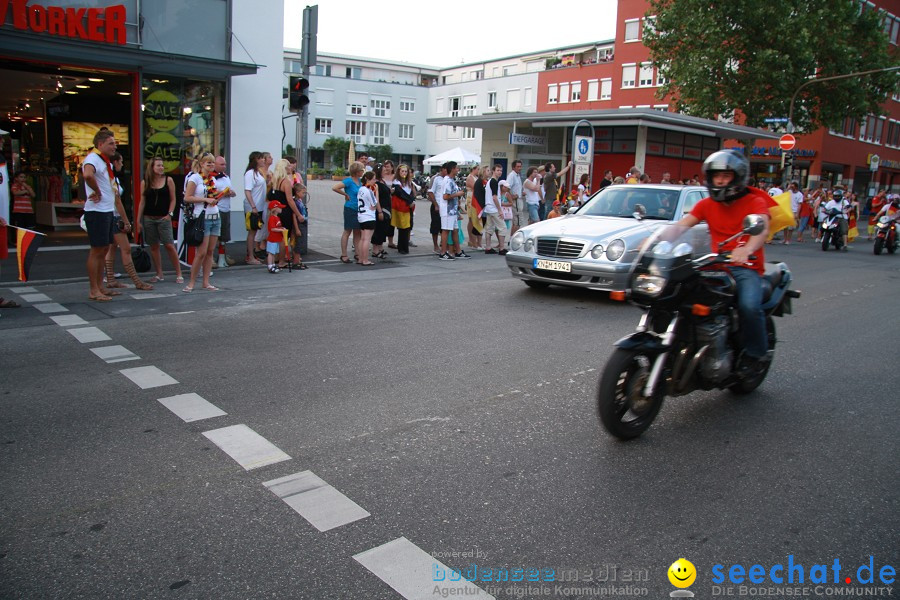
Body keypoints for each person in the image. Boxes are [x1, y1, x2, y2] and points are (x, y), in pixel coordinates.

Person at [667, 149, 771, 377]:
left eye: (725, 176)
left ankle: (756, 354)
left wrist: (747, 249)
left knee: (749, 307)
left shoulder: (755, 201)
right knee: (674, 295)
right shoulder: (706, 205)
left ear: (738, 177)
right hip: (714, 265)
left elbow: (761, 227)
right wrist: (656, 240)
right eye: (716, 176)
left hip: (745, 268)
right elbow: (682, 226)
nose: (720, 181)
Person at [81, 129, 123, 302]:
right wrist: (97, 191)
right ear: (100, 144)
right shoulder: (92, 158)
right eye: (111, 143)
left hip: (106, 210)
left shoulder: (105, 162)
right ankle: (94, 290)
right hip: (96, 211)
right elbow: (87, 174)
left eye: (114, 143)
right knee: (97, 250)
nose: (114, 146)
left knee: (104, 249)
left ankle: (100, 287)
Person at [104, 152, 153, 292]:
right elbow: (117, 202)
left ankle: (111, 279)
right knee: (125, 249)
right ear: (114, 163)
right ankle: (136, 281)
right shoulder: (111, 179)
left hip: (110, 215)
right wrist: (126, 222)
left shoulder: (111, 178)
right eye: (120, 162)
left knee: (112, 247)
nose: (122, 165)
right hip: (114, 216)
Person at [137, 157, 182, 283]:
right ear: (152, 167)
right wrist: (138, 220)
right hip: (149, 217)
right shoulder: (145, 182)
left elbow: (173, 199)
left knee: (169, 244)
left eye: (162, 165)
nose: (161, 168)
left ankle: (178, 273)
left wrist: (170, 214)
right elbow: (142, 201)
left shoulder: (169, 180)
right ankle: (159, 273)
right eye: (158, 165)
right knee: (154, 246)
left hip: (164, 217)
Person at [182, 152, 222, 292]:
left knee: (210, 252)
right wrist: (205, 200)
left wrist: (217, 197)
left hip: (215, 216)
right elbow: (187, 197)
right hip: (202, 217)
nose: (211, 165)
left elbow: (213, 196)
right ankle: (191, 283)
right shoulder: (195, 178)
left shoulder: (213, 179)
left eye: (212, 162)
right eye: (208, 162)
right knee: (201, 252)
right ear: (201, 164)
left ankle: (206, 282)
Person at [332, 161, 364, 264]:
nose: (362, 172)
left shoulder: (359, 181)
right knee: (347, 231)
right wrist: (345, 194)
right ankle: (344, 254)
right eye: (361, 170)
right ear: (356, 171)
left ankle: (358, 253)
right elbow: (335, 187)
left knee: (357, 232)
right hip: (350, 208)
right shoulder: (349, 181)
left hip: (358, 209)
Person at [268, 159, 296, 268]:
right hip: (285, 211)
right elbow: (290, 200)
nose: (291, 167)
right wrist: (297, 213)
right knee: (284, 237)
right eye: (288, 166)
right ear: (284, 168)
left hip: (275, 211)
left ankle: (274, 258)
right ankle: (281, 261)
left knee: (276, 236)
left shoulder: (274, 181)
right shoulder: (286, 182)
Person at [438, 161, 466, 260]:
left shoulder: (451, 180)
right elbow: (445, 196)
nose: (458, 170)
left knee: (455, 230)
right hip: (447, 210)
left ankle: (458, 251)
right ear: (452, 169)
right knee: (445, 230)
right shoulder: (447, 181)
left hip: (452, 210)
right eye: (457, 168)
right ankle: (443, 252)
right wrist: (457, 194)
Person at [213, 155, 237, 267]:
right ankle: (212, 257)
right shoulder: (211, 178)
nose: (224, 166)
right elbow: (211, 194)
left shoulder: (226, 177)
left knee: (224, 235)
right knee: (214, 235)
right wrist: (223, 193)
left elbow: (230, 191)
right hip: (216, 209)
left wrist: (231, 193)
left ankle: (222, 256)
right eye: (222, 164)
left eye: (225, 164)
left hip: (226, 209)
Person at [243, 151, 266, 264]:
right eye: (260, 158)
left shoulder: (258, 173)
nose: (263, 160)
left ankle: (252, 255)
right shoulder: (250, 173)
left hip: (259, 206)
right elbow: (247, 191)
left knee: (255, 230)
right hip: (253, 207)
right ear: (255, 160)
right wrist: (253, 206)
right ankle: (250, 256)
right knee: (252, 231)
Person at [391, 163, 417, 254]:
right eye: (402, 171)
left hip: (408, 207)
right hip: (400, 208)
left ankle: (404, 247)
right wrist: (410, 201)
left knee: (407, 227)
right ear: (399, 172)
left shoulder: (409, 183)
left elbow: (413, 194)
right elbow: (400, 194)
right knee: (402, 227)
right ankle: (401, 247)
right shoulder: (396, 182)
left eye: (406, 171)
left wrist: (412, 201)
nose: (404, 173)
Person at [371, 161, 395, 260]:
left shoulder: (382, 181)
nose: (385, 171)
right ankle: (375, 250)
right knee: (379, 229)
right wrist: (380, 211)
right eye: (384, 170)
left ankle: (380, 248)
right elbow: (376, 198)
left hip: (387, 208)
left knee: (384, 229)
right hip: (382, 209)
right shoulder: (376, 183)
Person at [482, 164, 507, 255]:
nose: (500, 172)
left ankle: (488, 247)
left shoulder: (489, 182)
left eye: (501, 170)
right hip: (494, 208)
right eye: (498, 170)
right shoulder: (494, 182)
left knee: (489, 228)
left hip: (489, 208)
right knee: (503, 227)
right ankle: (501, 248)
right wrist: (500, 210)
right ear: (493, 171)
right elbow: (495, 197)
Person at [356, 171, 378, 265]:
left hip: (361, 216)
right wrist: (376, 192)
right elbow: (375, 204)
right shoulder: (369, 191)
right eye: (373, 179)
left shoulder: (361, 189)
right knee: (367, 239)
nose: (375, 181)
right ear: (368, 179)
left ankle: (360, 258)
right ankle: (365, 260)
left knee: (362, 239)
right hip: (369, 216)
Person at [427, 164, 448, 254]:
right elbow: (430, 192)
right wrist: (435, 204)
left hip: (445, 206)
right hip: (437, 205)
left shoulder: (448, 179)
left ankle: (443, 244)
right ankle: (435, 246)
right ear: (442, 169)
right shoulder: (436, 179)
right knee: (435, 226)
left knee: (444, 227)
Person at [265, 200, 286, 273]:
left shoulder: (277, 218)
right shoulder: (272, 218)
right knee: (271, 253)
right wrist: (281, 230)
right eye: (279, 207)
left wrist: (281, 228)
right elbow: (272, 229)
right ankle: (270, 266)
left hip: (277, 239)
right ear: (275, 209)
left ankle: (273, 265)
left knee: (273, 253)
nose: (281, 209)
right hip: (272, 239)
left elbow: (277, 227)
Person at [466, 165, 483, 249]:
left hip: (475, 198)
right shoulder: (470, 177)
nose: (478, 171)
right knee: (472, 219)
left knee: (475, 219)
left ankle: (475, 241)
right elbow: (475, 188)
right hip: (471, 198)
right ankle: (472, 240)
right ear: (473, 169)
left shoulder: (475, 177)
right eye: (478, 169)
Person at [507, 160, 525, 237]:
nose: (519, 168)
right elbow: (507, 187)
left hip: (519, 200)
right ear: (513, 167)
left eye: (520, 166)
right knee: (517, 221)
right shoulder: (512, 176)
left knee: (517, 221)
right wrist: (512, 197)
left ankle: (512, 238)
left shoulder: (517, 175)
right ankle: (512, 239)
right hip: (516, 201)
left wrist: (521, 193)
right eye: (518, 166)